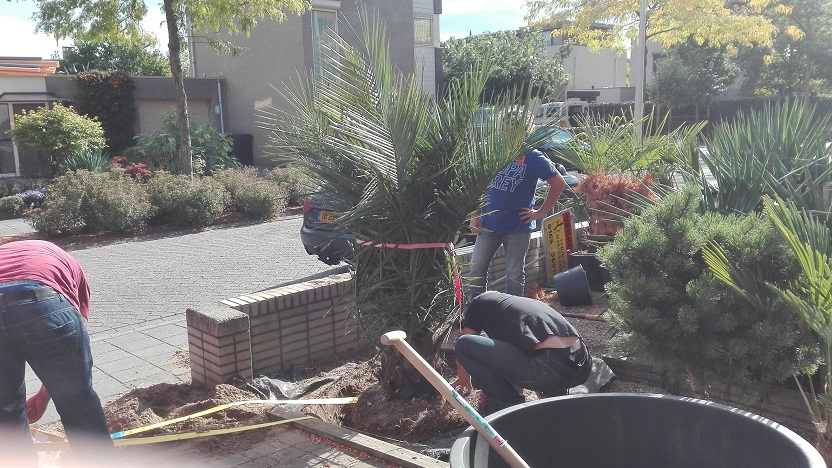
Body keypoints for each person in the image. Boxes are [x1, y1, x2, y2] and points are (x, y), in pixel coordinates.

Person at [0, 240, 112, 465]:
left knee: (6, 411)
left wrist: (40, 398)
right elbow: (67, 353)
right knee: (79, 404)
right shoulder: (66, 262)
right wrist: (44, 397)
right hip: (43, 300)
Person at [453, 291, 592, 410]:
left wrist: (464, 381)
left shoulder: (477, 304)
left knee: (464, 345)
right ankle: (555, 403)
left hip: (550, 369)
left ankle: (513, 406)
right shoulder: (513, 307)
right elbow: (514, 359)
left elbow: (466, 339)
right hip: (583, 364)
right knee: (545, 355)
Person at [467, 147, 566, 300]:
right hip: (488, 224)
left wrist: (540, 212)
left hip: (518, 227)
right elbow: (477, 184)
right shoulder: (492, 148)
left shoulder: (533, 156)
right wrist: (475, 215)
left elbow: (558, 183)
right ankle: (474, 309)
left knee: (514, 274)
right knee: (476, 269)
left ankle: (512, 310)